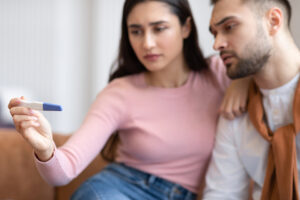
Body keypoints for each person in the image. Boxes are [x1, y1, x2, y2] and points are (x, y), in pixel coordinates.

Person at [8, 0, 249, 199]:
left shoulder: (220, 74)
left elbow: (267, 68)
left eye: (159, 28)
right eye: (136, 31)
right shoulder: (119, 93)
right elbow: (65, 169)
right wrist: (46, 147)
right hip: (120, 189)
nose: (147, 43)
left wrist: (242, 81)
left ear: (186, 27)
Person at [203, 0, 300, 199]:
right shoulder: (235, 111)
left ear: (273, 21)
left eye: (229, 27)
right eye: (214, 33)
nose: (216, 44)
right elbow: (222, 193)